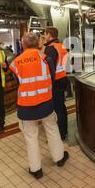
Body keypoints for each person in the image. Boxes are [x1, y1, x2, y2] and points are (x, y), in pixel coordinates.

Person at [10, 33, 68, 179]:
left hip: (26, 106)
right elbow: (52, 78)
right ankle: (59, 158)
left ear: (23, 44)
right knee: (52, 129)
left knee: (31, 137)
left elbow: (18, 82)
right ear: (38, 43)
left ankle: (36, 169)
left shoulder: (15, 62)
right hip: (46, 103)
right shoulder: (46, 59)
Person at [43, 27, 69, 141]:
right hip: (63, 78)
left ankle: (60, 134)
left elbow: (49, 68)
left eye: (45, 34)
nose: (44, 37)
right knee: (61, 107)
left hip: (55, 82)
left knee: (56, 109)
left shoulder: (50, 48)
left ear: (49, 35)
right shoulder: (62, 46)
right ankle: (64, 130)